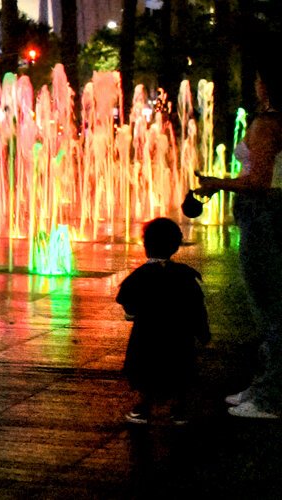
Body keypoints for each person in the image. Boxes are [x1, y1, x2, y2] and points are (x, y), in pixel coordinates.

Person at [195, 66, 282, 420]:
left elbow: (259, 182)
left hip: (265, 215)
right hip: (271, 213)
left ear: (268, 86)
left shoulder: (268, 123)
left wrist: (218, 183)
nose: (256, 82)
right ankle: (265, 385)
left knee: (271, 307)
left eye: (260, 77)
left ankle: (270, 398)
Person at [115, 218, 210, 425]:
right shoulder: (185, 275)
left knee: (145, 372)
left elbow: (126, 300)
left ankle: (143, 408)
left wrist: (132, 314)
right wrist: (202, 332)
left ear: (145, 245)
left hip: (147, 336)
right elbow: (197, 306)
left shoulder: (140, 276)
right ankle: (180, 408)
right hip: (179, 338)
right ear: (176, 246)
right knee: (180, 371)